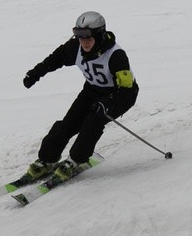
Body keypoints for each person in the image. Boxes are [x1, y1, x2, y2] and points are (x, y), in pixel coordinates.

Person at [22, 11, 139, 181]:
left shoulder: (116, 55)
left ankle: (76, 161)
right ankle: (47, 160)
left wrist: (108, 104)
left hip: (118, 95)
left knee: (92, 122)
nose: (83, 42)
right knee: (68, 123)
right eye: (80, 37)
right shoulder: (75, 47)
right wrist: (34, 74)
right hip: (92, 91)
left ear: (99, 36)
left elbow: (127, 91)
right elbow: (55, 59)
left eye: (88, 38)